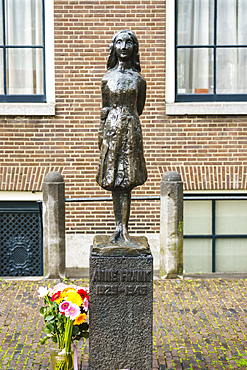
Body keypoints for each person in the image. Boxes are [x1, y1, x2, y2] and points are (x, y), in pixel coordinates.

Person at [96, 29, 147, 243]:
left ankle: (124, 229)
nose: (124, 47)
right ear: (113, 47)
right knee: (115, 179)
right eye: (119, 42)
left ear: (134, 48)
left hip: (130, 130)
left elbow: (140, 108)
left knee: (127, 181)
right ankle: (117, 228)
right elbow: (105, 108)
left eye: (128, 42)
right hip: (111, 130)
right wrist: (102, 134)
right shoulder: (107, 79)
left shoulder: (138, 79)